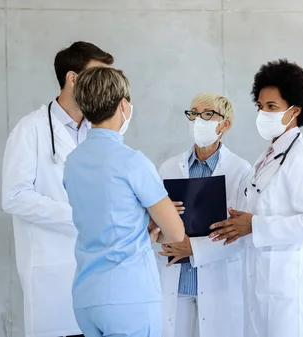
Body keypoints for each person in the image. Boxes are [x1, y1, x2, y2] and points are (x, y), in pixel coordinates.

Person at [208, 59, 303, 337]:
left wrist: (255, 225)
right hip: (260, 284)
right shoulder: (269, 156)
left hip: (287, 292)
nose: (263, 113)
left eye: (272, 107)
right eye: (261, 106)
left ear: (295, 110)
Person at [63, 67, 186, 337]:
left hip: (85, 298)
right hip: (128, 297)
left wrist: (141, 226)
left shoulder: (72, 162)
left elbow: (103, 217)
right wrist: (153, 227)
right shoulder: (132, 161)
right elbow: (176, 233)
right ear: (123, 105)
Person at [1, 41, 113, 337]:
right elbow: (14, 196)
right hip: (52, 272)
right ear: (72, 78)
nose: (104, 85)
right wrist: (78, 216)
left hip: (99, 270)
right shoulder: (31, 129)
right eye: (97, 75)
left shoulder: (100, 130)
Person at [157, 93, 252, 337]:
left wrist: (194, 248)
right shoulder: (168, 168)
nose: (198, 120)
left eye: (207, 114)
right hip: (176, 283)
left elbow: (241, 233)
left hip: (218, 281)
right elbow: (154, 224)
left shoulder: (240, 171)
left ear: (225, 124)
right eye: (194, 114)